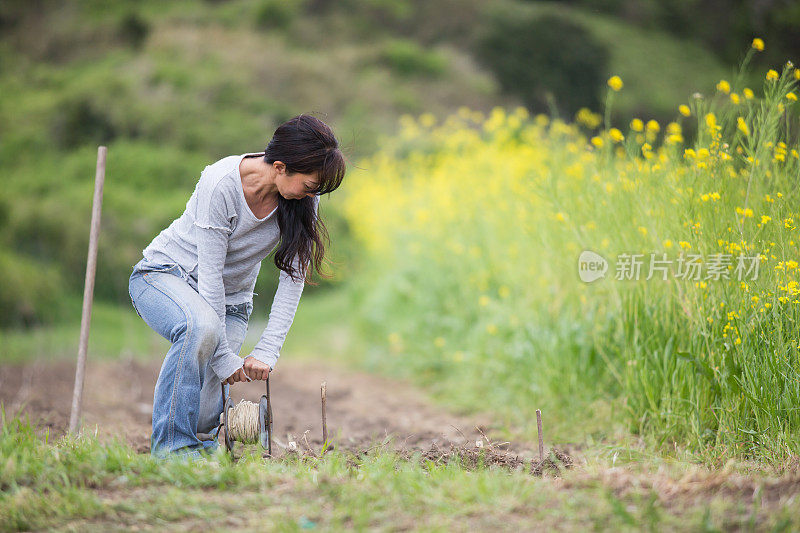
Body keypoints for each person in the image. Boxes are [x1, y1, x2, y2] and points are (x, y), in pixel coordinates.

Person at [127, 114, 346, 459]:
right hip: (165, 276)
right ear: (279, 167)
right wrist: (225, 355)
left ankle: (199, 456)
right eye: (310, 184)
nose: (313, 194)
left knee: (203, 414)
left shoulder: (303, 198)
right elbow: (210, 276)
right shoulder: (221, 184)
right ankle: (170, 451)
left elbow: (293, 279)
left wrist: (268, 350)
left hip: (231, 301)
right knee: (200, 326)